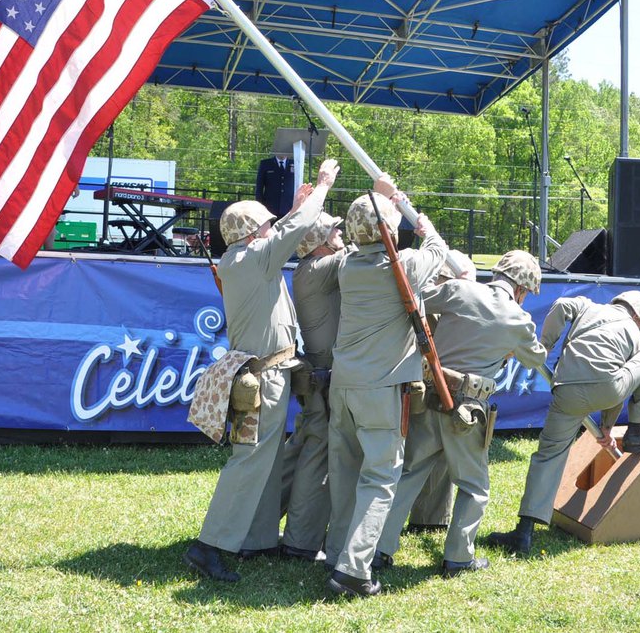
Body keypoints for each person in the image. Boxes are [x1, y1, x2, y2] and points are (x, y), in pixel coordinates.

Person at [183, 158, 340, 583]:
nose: (272, 228)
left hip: (268, 373)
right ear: (254, 234)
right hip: (265, 377)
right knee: (250, 461)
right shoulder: (255, 257)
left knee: (266, 460)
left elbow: (282, 231)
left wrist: (295, 207)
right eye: (266, 224)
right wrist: (323, 185)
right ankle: (208, 546)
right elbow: (290, 233)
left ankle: (253, 539)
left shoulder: (243, 257)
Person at [376, 250, 547, 577]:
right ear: (522, 291)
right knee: (474, 486)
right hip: (468, 408)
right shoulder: (518, 319)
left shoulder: (460, 290)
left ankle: (379, 550)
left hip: (431, 395)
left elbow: (417, 302)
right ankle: (458, 557)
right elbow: (534, 358)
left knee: (410, 473)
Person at [324, 186, 447, 598]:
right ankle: (354, 569)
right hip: (381, 391)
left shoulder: (346, 266)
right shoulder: (406, 265)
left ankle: (338, 551)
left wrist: (385, 202)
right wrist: (418, 218)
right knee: (379, 479)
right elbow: (439, 249)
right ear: (390, 232)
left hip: (343, 386)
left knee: (344, 475)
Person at [485, 289, 640, 556]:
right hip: (607, 388)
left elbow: (559, 304)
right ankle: (638, 431)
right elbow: (618, 390)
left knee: (548, 456)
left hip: (564, 387)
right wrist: (607, 426)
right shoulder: (635, 337)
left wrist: (544, 346)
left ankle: (524, 534)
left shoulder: (587, 306)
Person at [277, 212, 345, 561]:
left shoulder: (309, 270)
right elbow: (370, 254)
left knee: (302, 449)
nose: (340, 233)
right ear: (319, 243)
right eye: (334, 230)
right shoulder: (322, 269)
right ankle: (301, 541)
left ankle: (261, 521)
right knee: (318, 458)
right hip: (326, 378)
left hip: (319, 376)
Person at [406, 250, 477, 534]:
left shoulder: (432, 300)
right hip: (425, 386)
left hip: (428, 387)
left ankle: (429, 517)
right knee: (422, 457)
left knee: (427, 456)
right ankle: (427, 517)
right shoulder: (438, 303)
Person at [255, 152, 295, 218]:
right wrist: (259, 206)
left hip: (289, 209)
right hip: (269, 209)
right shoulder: (265, 164)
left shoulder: (295, 163)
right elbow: (259, 187)